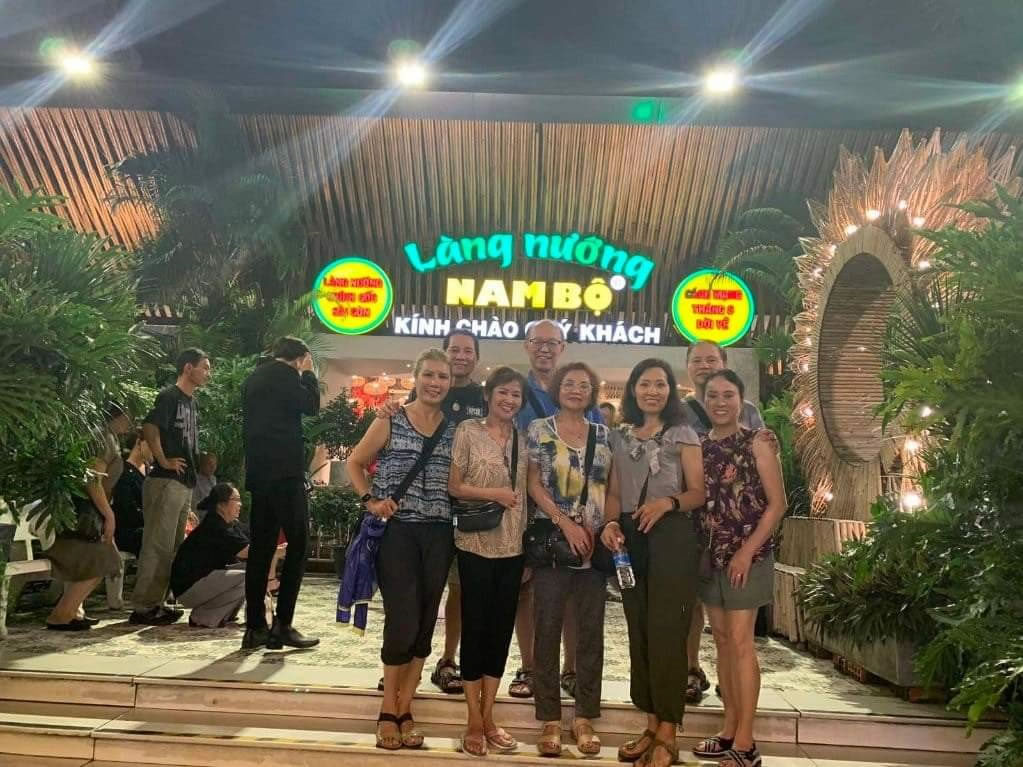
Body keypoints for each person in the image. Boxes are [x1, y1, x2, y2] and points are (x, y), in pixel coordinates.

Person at [346, 348, 456, 751]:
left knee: (426, 622)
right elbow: (355, 463)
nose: (435, 383)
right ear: (417, 377)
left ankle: (406, 708)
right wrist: (370, 500)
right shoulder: (391, 419)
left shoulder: (455, 429)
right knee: (402, 620)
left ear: (450, 382)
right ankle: (387, 710)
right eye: (429, 375)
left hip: (440, 533)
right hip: (398, 533)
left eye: (442, 377)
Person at [601, 359, 705, 766]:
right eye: (645, 384)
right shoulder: (619, 436)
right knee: (639, 629)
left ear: (670, 391)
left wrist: (667, 503)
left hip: (672, 534)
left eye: (660, 384)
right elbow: (614, 492)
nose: (652, 391)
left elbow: (698, 492)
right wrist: (611, 524)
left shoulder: (683, 433)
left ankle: (669, 732)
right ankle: (649, 725)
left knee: (667, 631)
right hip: (631, 536)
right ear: (633, 389)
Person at [692, 370, 785, 767]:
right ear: (703, 400)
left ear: (741, 399)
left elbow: (777, 505)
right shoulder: (698, 445)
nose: (720, 402)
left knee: (742, 641)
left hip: (749, 555)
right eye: (713, 395)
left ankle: (746, 742)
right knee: (722, 641)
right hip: (710, 556)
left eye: (728, 395)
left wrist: (746, 552)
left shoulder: (758, 442)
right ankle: (728, 728)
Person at [384, 328, 485, 695]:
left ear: (476, 358)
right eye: (454, 350)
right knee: (406, 599)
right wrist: (387, 409)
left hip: (465, 513)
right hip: (415, 518)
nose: (460, 357)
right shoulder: (424, 393)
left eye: (468, 351)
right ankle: (397, 665)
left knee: (455, 590)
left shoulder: (483, 399)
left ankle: (446, 660)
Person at [509, 319, 605, 701]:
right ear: (526, 345)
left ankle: (570, 668)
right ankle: (530, 666)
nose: (545, 348)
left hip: (579, 518)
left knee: (572, 592)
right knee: (526, 590)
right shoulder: (516, 390)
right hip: (523, 509)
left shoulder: (588, 405)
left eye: (553, 342)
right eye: (538, 341)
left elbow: (602, 463)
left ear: (563, 347)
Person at [527, 362, 613, 757]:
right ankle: (549, 718)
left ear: (592, 392)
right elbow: (533, 483)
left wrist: (604, 526)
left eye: (584, 385)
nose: (576, 390)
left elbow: (611, 487)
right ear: (557, 389)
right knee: (546, 628)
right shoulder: (539, 429)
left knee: (590, 632)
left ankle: (584, 716)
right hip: (553, 542)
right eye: (569, 384)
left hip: (594, 545)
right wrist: (565, 523)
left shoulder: (604, 434)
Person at [448, 366, 529, 756]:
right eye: (503, 393)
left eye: (516, 395)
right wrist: (494, 493)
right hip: (475, 544)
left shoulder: (524, 440)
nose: (509, 400)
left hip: (514, 548)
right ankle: (472, 721)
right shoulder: (468, 430)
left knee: (500, 633)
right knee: (475, 629)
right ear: (488, 395)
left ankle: (489, 715)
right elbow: (454, 486)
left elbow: (529, 492)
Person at [681, 340, 766, 703]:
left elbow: (766, 479)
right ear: (687, 366)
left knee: (735, 629)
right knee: (693, 606)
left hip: (739, 535)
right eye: (697, 360)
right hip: (695, 526)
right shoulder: (679, 412)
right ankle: (691, 669)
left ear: (724, 363)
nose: (704, 365)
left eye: (711, 359)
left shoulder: (749, 414)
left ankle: (731, 684)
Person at [241, 336, 321, 651]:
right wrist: (309, 374)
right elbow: (311, 406)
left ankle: (255, 627)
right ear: (299, 358)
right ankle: (282, 625)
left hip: (259, 474)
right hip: (286, 474)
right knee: (299, 544)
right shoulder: (288, 376)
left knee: (261, 549)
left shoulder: (254, 378)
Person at [130, 348, 210, 626]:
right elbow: (150, 427)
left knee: (174, 545)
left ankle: (159, 601)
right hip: (166, 480)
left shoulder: (191, 402)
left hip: (183, 481)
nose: (208, 373)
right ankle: (144, 606)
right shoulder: (169, 396)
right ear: (188, 368)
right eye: (204, 367)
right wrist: (163, 460)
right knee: (158, 544)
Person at [44, 405, 135, 630]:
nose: (130, 423)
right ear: (117, 416)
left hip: (88, 508)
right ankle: (62, 613)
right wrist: (109, 514)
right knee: (106, 560)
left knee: (100, 561)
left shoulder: (106, 437)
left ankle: (72, 611)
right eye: (128, 418)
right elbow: (93, 480)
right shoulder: (103, 438)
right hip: (85, 509)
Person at [171, 483, 251, 628]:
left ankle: (225, 614)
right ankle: (203, 617)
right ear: (221, 505)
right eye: (236, 499)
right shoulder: (215, 526)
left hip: (203, 580)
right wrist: (279, 551)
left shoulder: (229, 524)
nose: (240, 504)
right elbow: (247, 552)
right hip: (188, 588)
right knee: (251, 576)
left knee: (252, 570)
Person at [111, 431, 150, 557]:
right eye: (150, 444)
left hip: (146, 525)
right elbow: (126, 508)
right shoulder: (123, 471)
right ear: (139, 443)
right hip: (129, 531)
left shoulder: (150, 473)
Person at [192, 453, 218, 517]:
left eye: (214, 464)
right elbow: (194, 506)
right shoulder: (195, 481)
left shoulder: (213, 479)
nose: (212, 467)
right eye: (209, 463)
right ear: (201, 465)